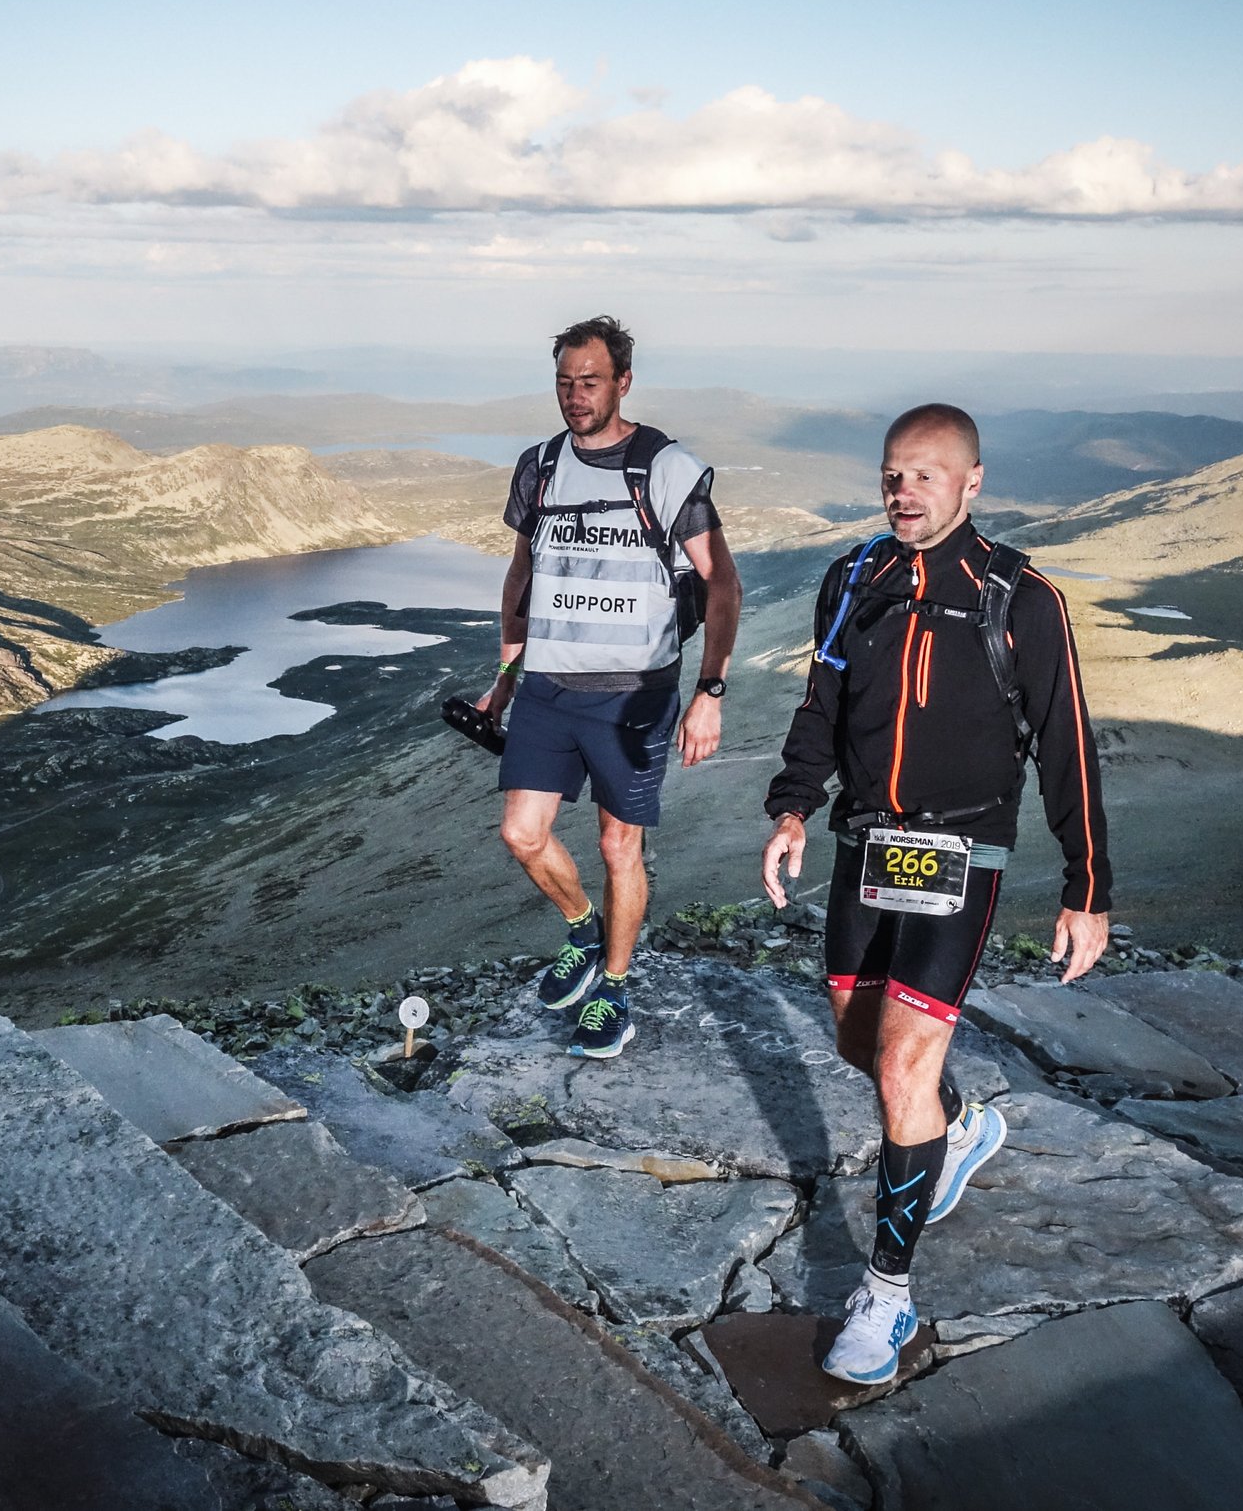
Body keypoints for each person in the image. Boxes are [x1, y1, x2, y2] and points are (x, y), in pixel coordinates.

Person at [760, 401, 1112, 1383]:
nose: (903, 490)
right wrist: (792, 808)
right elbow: (822, 704)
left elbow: (1068, 746)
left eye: (925, 473)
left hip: (963, 852)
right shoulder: (852, 579)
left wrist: (1086, 885)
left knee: (902, 1066)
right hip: (867, 843)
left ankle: (886, 1292)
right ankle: (955, 1126)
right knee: (858, 1042)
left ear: (971, 481)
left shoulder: (1021, 599)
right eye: (892, 473)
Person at [476, 316, 742, 1059]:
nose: (575, 395)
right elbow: (523, 574)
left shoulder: (667, 468)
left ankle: (615, 991)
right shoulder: (539, 467)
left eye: (590, 381)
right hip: (548, 685)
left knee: (619, 844)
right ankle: (582, 930)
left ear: (624, 382)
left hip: (633, 694)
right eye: (564, 382)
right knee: (521, 833)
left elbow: (723, 584)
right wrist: (506, 674)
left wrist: (710, 691)